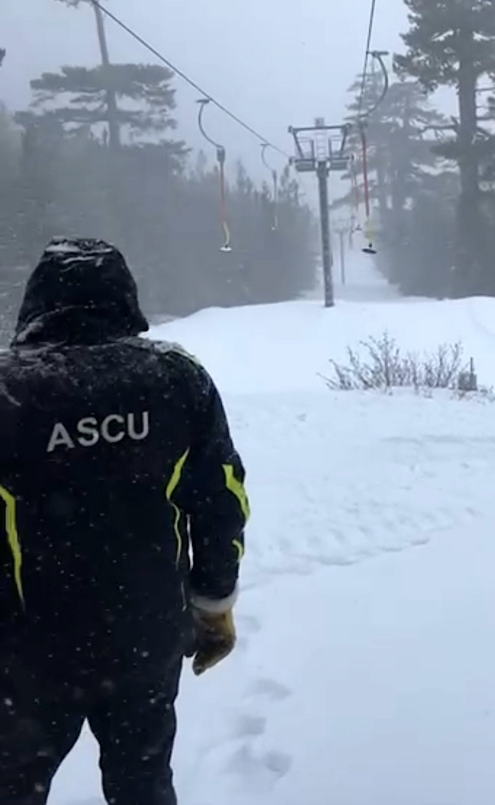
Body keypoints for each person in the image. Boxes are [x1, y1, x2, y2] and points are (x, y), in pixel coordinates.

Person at [0, 236, 249, 805]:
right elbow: (220, 497)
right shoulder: (176, 378)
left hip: (27, 650)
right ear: (124, 298)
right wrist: (214, 606)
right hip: (144, 638)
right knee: (143, 787)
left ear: (36, 301)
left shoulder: (8, 391)